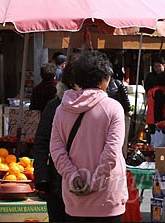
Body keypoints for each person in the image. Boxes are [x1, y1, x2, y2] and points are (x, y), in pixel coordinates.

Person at [50, 50, 127, 222]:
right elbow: (111, 153)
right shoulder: (113, 108)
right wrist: (95, 183)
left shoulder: (62, 109)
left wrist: (73, 176)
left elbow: (56, 150)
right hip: (107, 197)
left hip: (74, 197)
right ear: (103, 78)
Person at [34, 53, 80, 222]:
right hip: (57, 183)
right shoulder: (55, 106)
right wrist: (41, 176)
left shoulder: (98, 108)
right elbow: (41, 142)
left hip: (87, 182)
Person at [144, 56, 165, 135]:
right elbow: (146, 86)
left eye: (159, 66)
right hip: (152, 101)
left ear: (163, 65)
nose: (157, 69)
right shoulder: (150, 76)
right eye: (155, 67)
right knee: (152, 123)